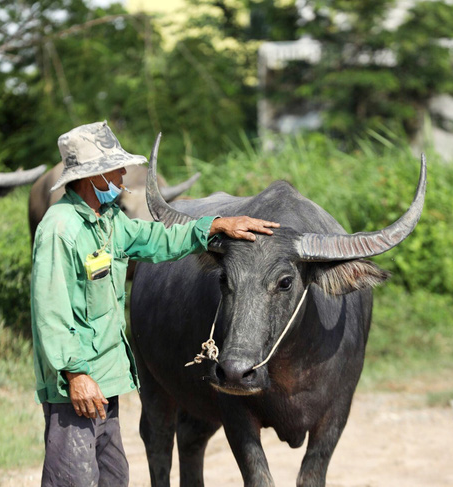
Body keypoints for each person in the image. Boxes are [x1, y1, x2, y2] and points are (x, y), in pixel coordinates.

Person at [30, 120, 279, 487]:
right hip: (76, 386)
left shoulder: (108, 220)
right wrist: (75, 374)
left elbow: (156, 239)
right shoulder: (59, 229)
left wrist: (213, 226)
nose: (122, 175)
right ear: (91, 176)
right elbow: (49, 312)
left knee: (113, 477)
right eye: (114, 169)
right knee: (74, 480)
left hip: (104, 378)